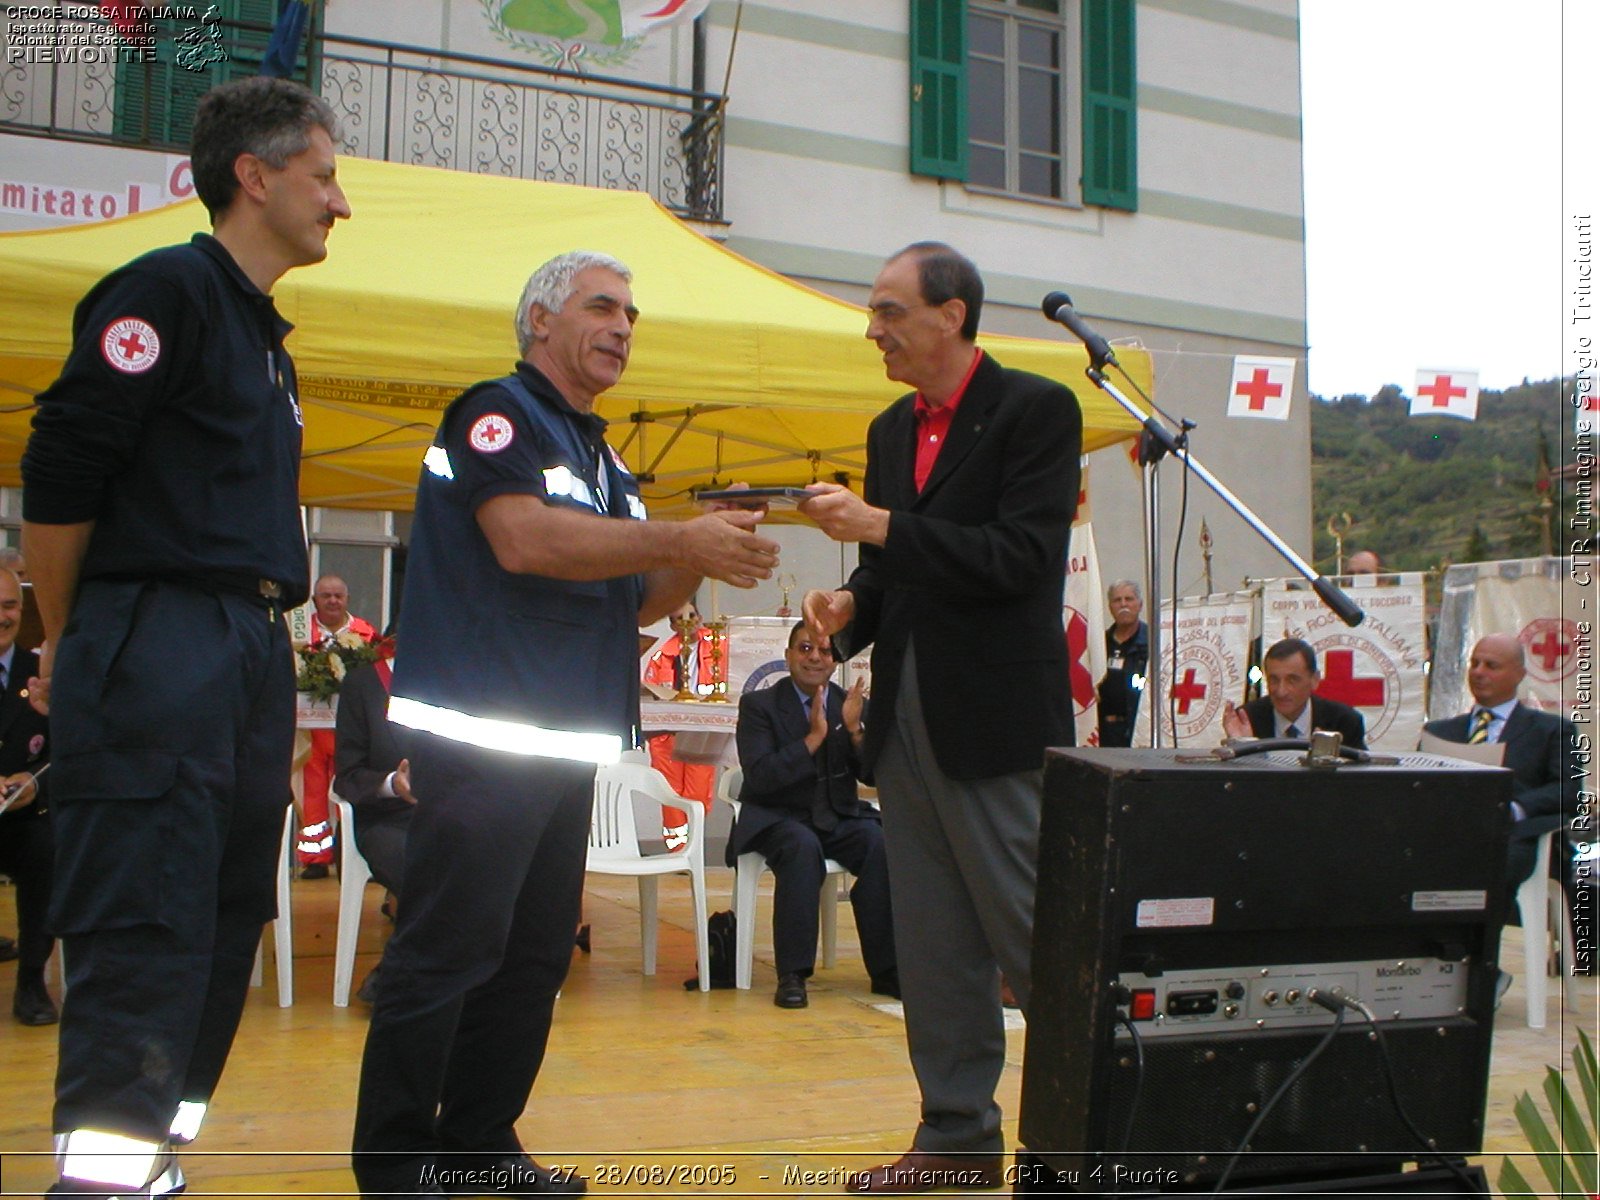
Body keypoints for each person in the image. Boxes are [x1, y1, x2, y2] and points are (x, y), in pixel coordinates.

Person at [351, 249, 779, 1199]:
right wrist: (675, 535)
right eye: (602, 307)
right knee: (447, 951)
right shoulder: (494, 415)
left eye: (631, 313)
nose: (624, 327)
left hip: (558, 749)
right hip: (480, 739)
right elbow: (525, 539)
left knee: (535, 956)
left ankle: (479, 1143)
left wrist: (713, 546)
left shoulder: (605, 458)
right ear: (540, 319)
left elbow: (631, 600)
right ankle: (392, 1164)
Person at [20, 75, 350, 1196]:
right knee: (146, 918)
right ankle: (99, 1181)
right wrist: (73, 640)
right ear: (253, 179)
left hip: (246, 647)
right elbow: (60, 475)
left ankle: (155, 1158)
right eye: (323, 176)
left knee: (224, 918)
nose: (339, 203)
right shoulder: (164, 294)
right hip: (158, 637)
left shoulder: (266, 339)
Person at [799, 242, 1080, 1192]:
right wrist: (849, 611)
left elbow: (1018, 560)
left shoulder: (1037, 410)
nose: (871, 330)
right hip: (905, 716)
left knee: (1038, 935)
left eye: (887, 311)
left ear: (950, 314)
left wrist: (879, 530)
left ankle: (1103, 1133)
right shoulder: (889, 428)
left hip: (996, 717)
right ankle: (957, 1138)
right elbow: (894, 575)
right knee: (933, 942)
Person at [730, 621, 896, 1009]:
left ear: (835, 660)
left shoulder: (847, 702)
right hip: (777, 817)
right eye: (805, 649)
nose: (814, 658)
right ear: (788, 656)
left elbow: (871, 775)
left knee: (881, 845)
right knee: (801, 847)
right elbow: (761, 776)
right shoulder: (759, 706)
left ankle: (888, 971)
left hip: (835, 816)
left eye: (824, 651)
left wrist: (855, 732)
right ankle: (793, 974)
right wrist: (812, 740)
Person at [1423, 633, 1577, 888]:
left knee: (1491, 864)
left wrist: (1513, 809)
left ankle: (1485, 928)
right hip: (1446, 833)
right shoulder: (1438, 732)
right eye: (1475, 664)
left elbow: (1568, 790)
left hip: (1514, 836)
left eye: (1491, 666)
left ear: (1519, 674)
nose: (1479, 672)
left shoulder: (1551, 731)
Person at [331, 635, 411, 1003]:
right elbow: (347, 775)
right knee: (427, 872)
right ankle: (403, 980)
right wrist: (393, 784)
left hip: (448, 815)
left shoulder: (458, 683)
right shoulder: (363, 686)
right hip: (385, 817)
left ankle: (397, 974)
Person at [0, 568, 56, 1025]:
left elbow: (67, 754)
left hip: (21, 819)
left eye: (9, 605)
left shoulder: (39, 673)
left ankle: (32, 981)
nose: (2, 617)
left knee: (49, 848)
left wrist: (33, 782)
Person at [298, 573, 379, 878]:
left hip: (353, 731)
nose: (332, 601)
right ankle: (315, 859)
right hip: (310, 729)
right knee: (313, 793)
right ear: (315, 600)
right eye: (325, 596)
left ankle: (356, 856)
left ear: (347, 599)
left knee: (355, 790)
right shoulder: (299, 634)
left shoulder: (365, 634)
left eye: (338, 596)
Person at [640, 598, 717, 841]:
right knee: (670, 793)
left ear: (700, 618)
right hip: (667, 736)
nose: (687, 623)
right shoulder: (661, 656)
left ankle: (693, 845)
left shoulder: (718, 646)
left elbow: (750, 647)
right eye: (679, 620)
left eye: (691, 616)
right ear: (672, 625)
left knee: (698, 790)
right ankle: (677, 849)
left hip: (702, 731)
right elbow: (649, 692)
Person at [1222, 637, 1367, 748]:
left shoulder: (1344, 722)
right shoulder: (1247, 719)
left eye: (1292, 680)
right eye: (1274, 680)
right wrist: (1242, 745)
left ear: (1314, 680)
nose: (1281, 691)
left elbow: (1359, 783)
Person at [1096, 579, 1148, 748]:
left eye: (1129, 599)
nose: (1123, 604)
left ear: (1140, 605)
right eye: (1117, 600)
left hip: (1138, 731)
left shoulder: (1153, 642)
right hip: (1104, 733)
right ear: (1110, 607)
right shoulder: (1099, 643)